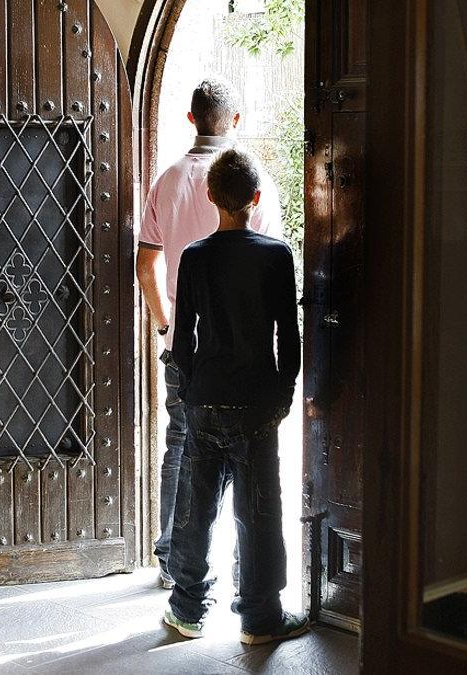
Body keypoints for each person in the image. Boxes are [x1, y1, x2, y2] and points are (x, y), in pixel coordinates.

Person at [136, 78, 282, 590]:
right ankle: (252, 582)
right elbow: (268, 262)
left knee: (180, 445)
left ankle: (172, 562)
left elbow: (146, 264)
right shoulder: (255, 180)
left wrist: (165, 322)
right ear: (235, 121)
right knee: (252, 463)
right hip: (244, 348)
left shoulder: (168, 181)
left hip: (187, 343)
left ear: (192, 118)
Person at [161, 148, 306, 645]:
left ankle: (186, 611)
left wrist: (186, 389)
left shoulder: (194, 257)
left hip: (205, 400)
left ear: (209, 196)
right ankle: (260, 619)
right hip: (257, 403)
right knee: (260, 510)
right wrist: (285, 390)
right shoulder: (275, 255)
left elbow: (183, 338)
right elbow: (288, 332)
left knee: (195, 509)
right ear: (256, 198)